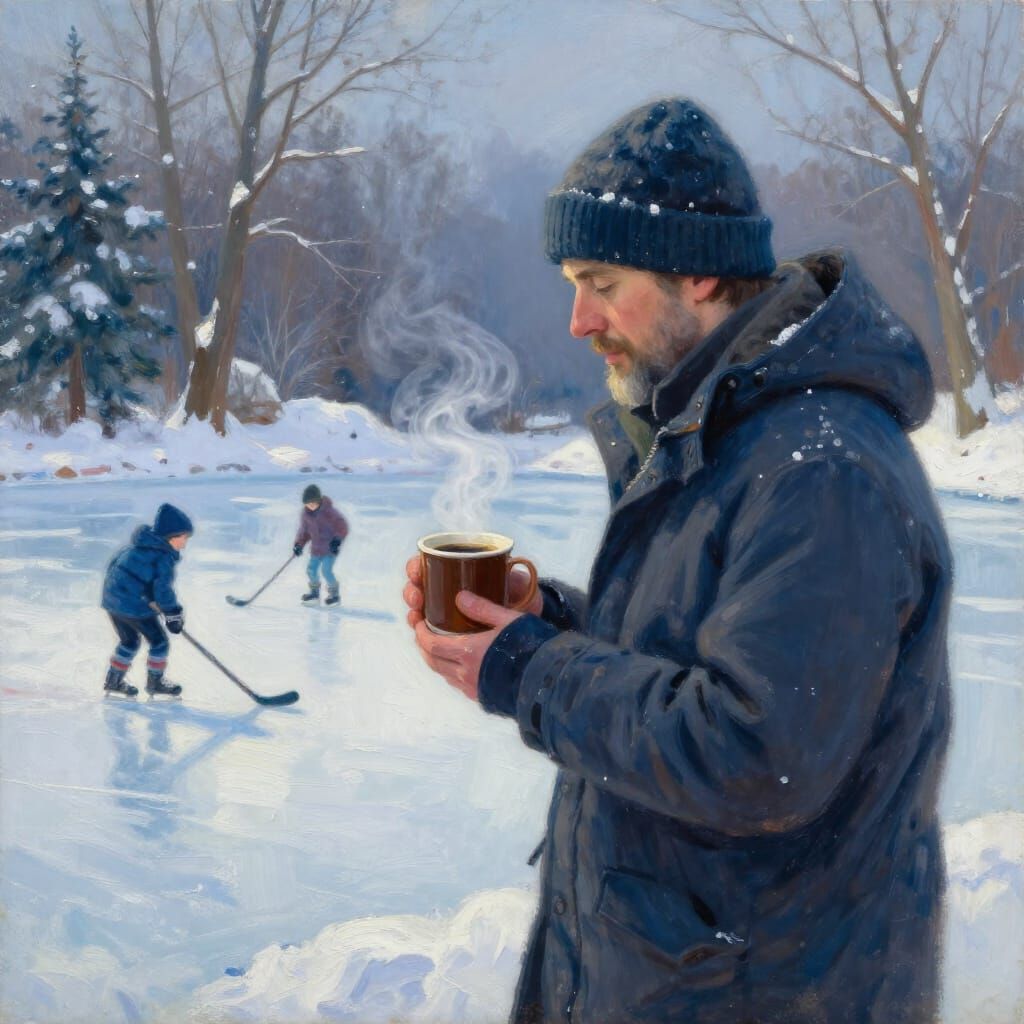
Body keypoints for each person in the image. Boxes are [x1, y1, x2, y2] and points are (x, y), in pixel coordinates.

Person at [404, 97, 952, 1024]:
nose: (579, 320)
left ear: (700, 275)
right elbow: (698, 655)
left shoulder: (819, 474)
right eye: (573, 282)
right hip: (680, 974)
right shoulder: (726, 432)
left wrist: (536, 672)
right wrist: (552, 624)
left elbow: (756, 754)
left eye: (603, 281)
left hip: (759, 992)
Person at [102, 502, 193, 698]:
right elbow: (163, 589)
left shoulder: (135, 547)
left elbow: (116, 570)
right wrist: (173, 614)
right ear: (171, 536)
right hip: (133, 604)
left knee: (129, 642)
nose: (184, 543)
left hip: (113, 601)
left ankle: (113, 681)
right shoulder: (163, 557)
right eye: (183, 537)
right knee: (159, 642)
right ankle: (155, 683)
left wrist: (143, 593)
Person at [293, 483, 349, 606]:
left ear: (319, 501)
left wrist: (337, 540)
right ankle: (314, 593)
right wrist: (298, 544)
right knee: (311, 570)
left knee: (326, 571)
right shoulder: (305, 515)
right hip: (316, 549)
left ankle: (334, 595)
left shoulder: (329, 512)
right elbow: (304, 532)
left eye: (313, 503)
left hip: (330, 549)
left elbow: (342, 526)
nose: (311, 506)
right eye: (308, 504)